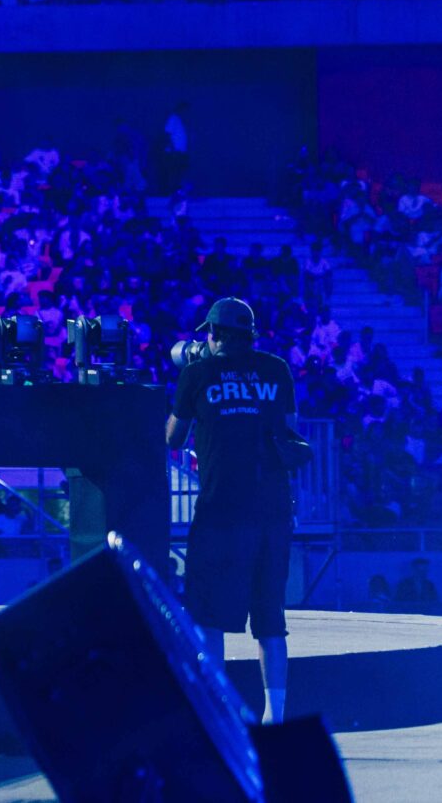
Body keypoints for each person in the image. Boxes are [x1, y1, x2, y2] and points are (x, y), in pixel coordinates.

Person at [168, 296, 311, 725]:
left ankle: (218, 709)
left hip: (219, 511)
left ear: (212, 334)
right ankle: (276, 715)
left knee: (209, 614)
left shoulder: (197, 374)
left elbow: (173, 439)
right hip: (271, 512)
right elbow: (290, 434)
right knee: (270, 619)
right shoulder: (276, 370)